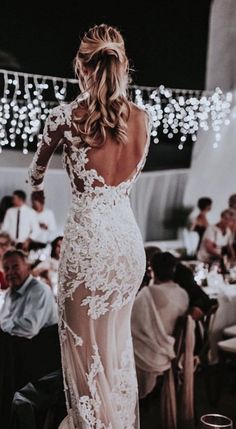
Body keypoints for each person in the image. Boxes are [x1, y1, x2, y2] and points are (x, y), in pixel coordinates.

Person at [28, 24, 151, 429]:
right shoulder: (143, 120)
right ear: (123, 64)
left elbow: (34, 177)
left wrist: (41, 178)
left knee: (84, 360)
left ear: (81, 67)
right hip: (127, 248)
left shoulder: (63, 118)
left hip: (88, 250)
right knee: (115, 354)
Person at [131, 252, 189, 398]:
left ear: (152, 270)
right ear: (173, 269)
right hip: (172, 350)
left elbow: (132, 322)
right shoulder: (183, 294)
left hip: (151, 353)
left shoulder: (147, 294)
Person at [0, 249, 58, 339]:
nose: (10, 272)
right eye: (6, 269)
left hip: (42, 346)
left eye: (15, 267)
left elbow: (30, 327)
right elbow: (3, 318)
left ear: (27, 267)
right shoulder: (10, 292)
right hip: (20, 346)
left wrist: (4, 325)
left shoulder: (39, 290)